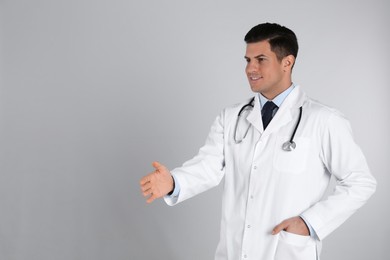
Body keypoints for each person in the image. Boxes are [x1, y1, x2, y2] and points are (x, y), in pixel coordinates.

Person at [139, 23, 376, 260]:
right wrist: (174, 182)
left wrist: (309, 223)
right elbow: (208, 166)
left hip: (288, 251)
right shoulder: (232, 117)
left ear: (287, 62)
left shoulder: (324, 120)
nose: (250, 68)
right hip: (234, 251)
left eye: (260, 59)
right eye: (247, 60)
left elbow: (360, 182)